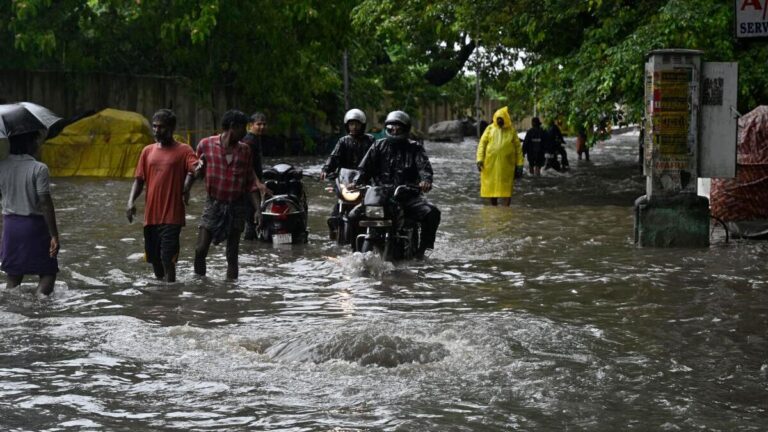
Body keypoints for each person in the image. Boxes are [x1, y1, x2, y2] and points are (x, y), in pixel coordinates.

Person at [354, 110, 440, 258]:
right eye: (391, 128)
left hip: (407, 196)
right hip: (380, 197)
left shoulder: (415, 147)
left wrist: (426, 180)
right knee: (352, 215)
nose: (394, 131)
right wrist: (356, 182)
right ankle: (353, 250)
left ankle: (422, 251)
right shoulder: (378, 146)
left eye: (398, 129)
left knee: (432, 213)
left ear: (405, 129)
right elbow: (364, 168)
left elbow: (424, 168)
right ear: (386, 128)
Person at [126, 109, 198, 282]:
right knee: (154, 261)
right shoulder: (147, 151)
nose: (157, 131)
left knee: (168, 259)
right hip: (151, 216)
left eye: (162, 127)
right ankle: (161, 295)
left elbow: (195, 169)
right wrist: (130, 202)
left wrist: (188, 185)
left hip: (172, 216)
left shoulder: (184, 150)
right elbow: (139, 180)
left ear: (172, 128)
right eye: (155, 126)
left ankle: (171, 296)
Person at [192, 110, 261, 279]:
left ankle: (231, 295)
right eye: (242, 128)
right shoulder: (205, 145)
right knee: (200, 249)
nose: (245, 132)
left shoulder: (245, 150)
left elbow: (249, 182)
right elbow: (195, 172)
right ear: (232, 127)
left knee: (232, 256)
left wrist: (258, 209)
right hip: (213, 203)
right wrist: (196, 172)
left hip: (237, 205)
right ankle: (200, 285)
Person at [0, 131, 60, 296]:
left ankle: (12, 308)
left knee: (13, 276)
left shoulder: (1, 166)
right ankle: (40, 304)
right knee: (48, 271)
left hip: (10, 227)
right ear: (30, 144)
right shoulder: (39, 168)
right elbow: (45, 203)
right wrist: (54, 235)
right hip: (34, 226)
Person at [319, 108, 375, 239]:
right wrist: (325, 169)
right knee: (335, 212)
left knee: (373, 205)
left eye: (357, 124)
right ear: (347, 125)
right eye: (351, 124)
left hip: (364, 180)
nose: (354, 127)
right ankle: (334, 231)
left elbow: (376, 159)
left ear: (362, 125)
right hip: (346, 180)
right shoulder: (343, 141)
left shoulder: (370, 140)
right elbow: (334, 157)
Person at [476, 106, 524, 206]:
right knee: (492, 187)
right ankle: (494, 208)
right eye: (498, 119)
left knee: (506, 189)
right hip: (490, 165)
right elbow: (482, 144)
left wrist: (520, 164)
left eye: (501, 119)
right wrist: (479, 159)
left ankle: (506, 210)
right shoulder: (489, 129)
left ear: (505, 119)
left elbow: (518, 148)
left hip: (507, 166)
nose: (499, 121)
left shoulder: (511, 131)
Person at [241, 112, 272, 240]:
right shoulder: (249, 141)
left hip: (254, 183)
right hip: (248, 185)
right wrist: (258, 183)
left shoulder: (256, 139)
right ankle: (249, 246)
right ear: (251, 125)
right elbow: (248, 165)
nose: (262, 127)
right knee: (252, 217)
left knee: (255, 216)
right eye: (258, 124)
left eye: (264, 124)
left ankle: (252, 248)